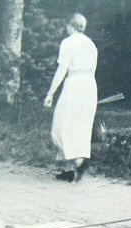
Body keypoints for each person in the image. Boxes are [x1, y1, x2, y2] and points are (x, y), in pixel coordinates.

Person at [44, 13, 98, 182]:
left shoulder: (68, 42)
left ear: (70, 25)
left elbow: (62, 70)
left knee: (61, 124)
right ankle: (71, 168)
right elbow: (93, 70)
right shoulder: (91, 44)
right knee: (81, 125)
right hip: (89, 84)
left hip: (74, 82)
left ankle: (78, 161)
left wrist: (50, 92)